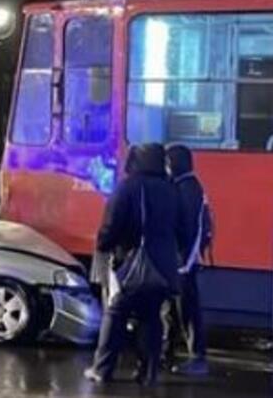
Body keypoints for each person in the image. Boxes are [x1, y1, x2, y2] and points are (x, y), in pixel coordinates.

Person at [84, 143, 186, 387]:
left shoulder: (129, 187)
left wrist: (104, 244)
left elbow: (111, 225)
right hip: (163, 267)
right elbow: (183, 229)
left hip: (133, 263)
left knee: (115, 312)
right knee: (151, 317)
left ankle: (102, 368)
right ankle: (148, 373)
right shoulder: (171, 189)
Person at [165, 143, 212, 376]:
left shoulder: (186, 189)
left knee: (188, 310)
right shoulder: (187, 185)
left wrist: (185, 262)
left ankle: (197, 357)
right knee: (175, 309)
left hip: (183, 262)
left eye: (168, 162)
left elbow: (190, 229)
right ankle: (169, 351)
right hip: (182, 261)